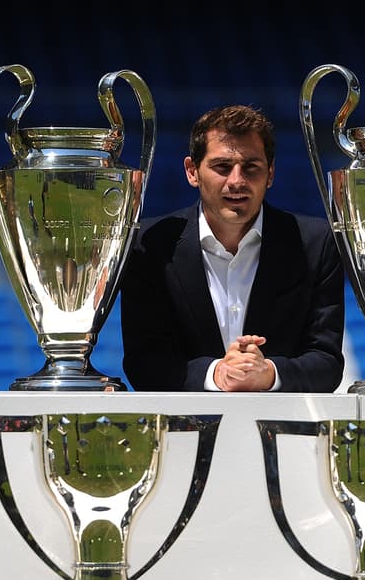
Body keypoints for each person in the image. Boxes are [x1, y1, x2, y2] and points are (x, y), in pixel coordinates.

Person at [118, 104, 345, 392]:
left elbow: (327, 362)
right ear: (192, 171)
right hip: (185, 431)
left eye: (251, 167)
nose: (237, 181)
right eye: (222, 167)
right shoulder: (151, 244)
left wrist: (270, 373)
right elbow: (144, 363)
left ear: (271, 173)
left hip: (282, 430)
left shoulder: (316, 243)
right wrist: (217, 374)